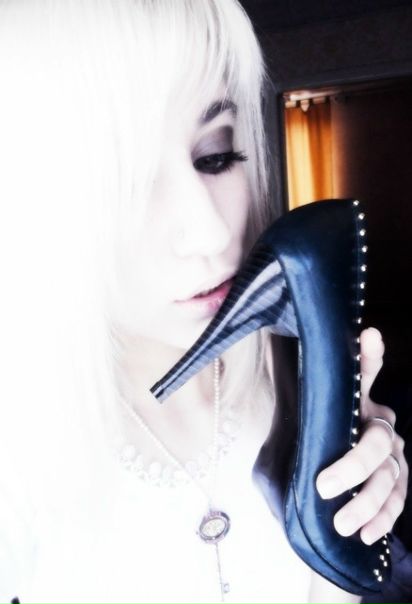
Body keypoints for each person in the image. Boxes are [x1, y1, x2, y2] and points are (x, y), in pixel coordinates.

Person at [0, 1, 409, 603]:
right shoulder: (19, 454)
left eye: (217, 155)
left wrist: (354, 513)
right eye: (130, 185)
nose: (211, 233)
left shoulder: (287, 380)